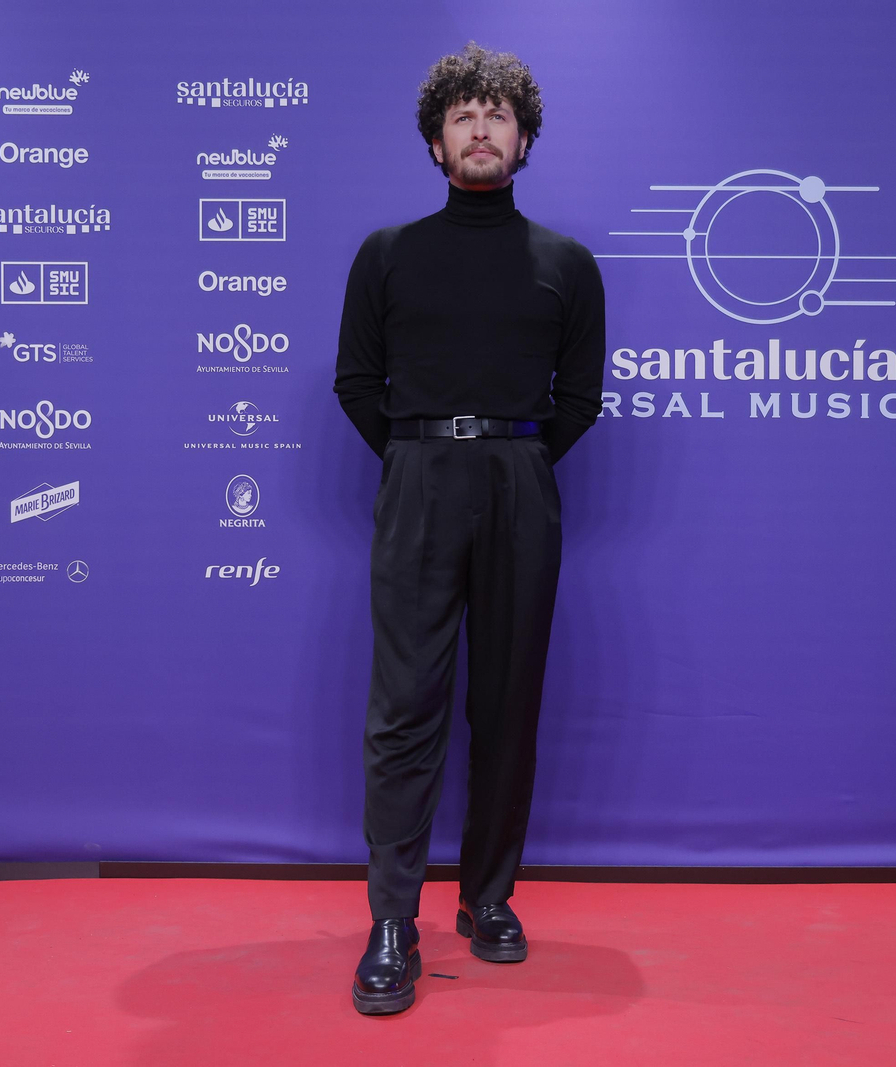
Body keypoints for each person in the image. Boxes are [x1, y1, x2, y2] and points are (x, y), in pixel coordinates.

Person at [333, 42, 606, 1015]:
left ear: (523, 140)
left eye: (498, 115)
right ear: (435, 143)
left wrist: (509, 459)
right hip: (417, 475)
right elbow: (356, 384)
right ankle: (392, 919)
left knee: (506, 701)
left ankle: (488, 895)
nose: (481, 129)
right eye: (463, 116)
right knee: (404, 705)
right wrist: (421, 457)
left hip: (520, 480)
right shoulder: (387, 254)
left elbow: (579, 401)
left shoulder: (567, 265)